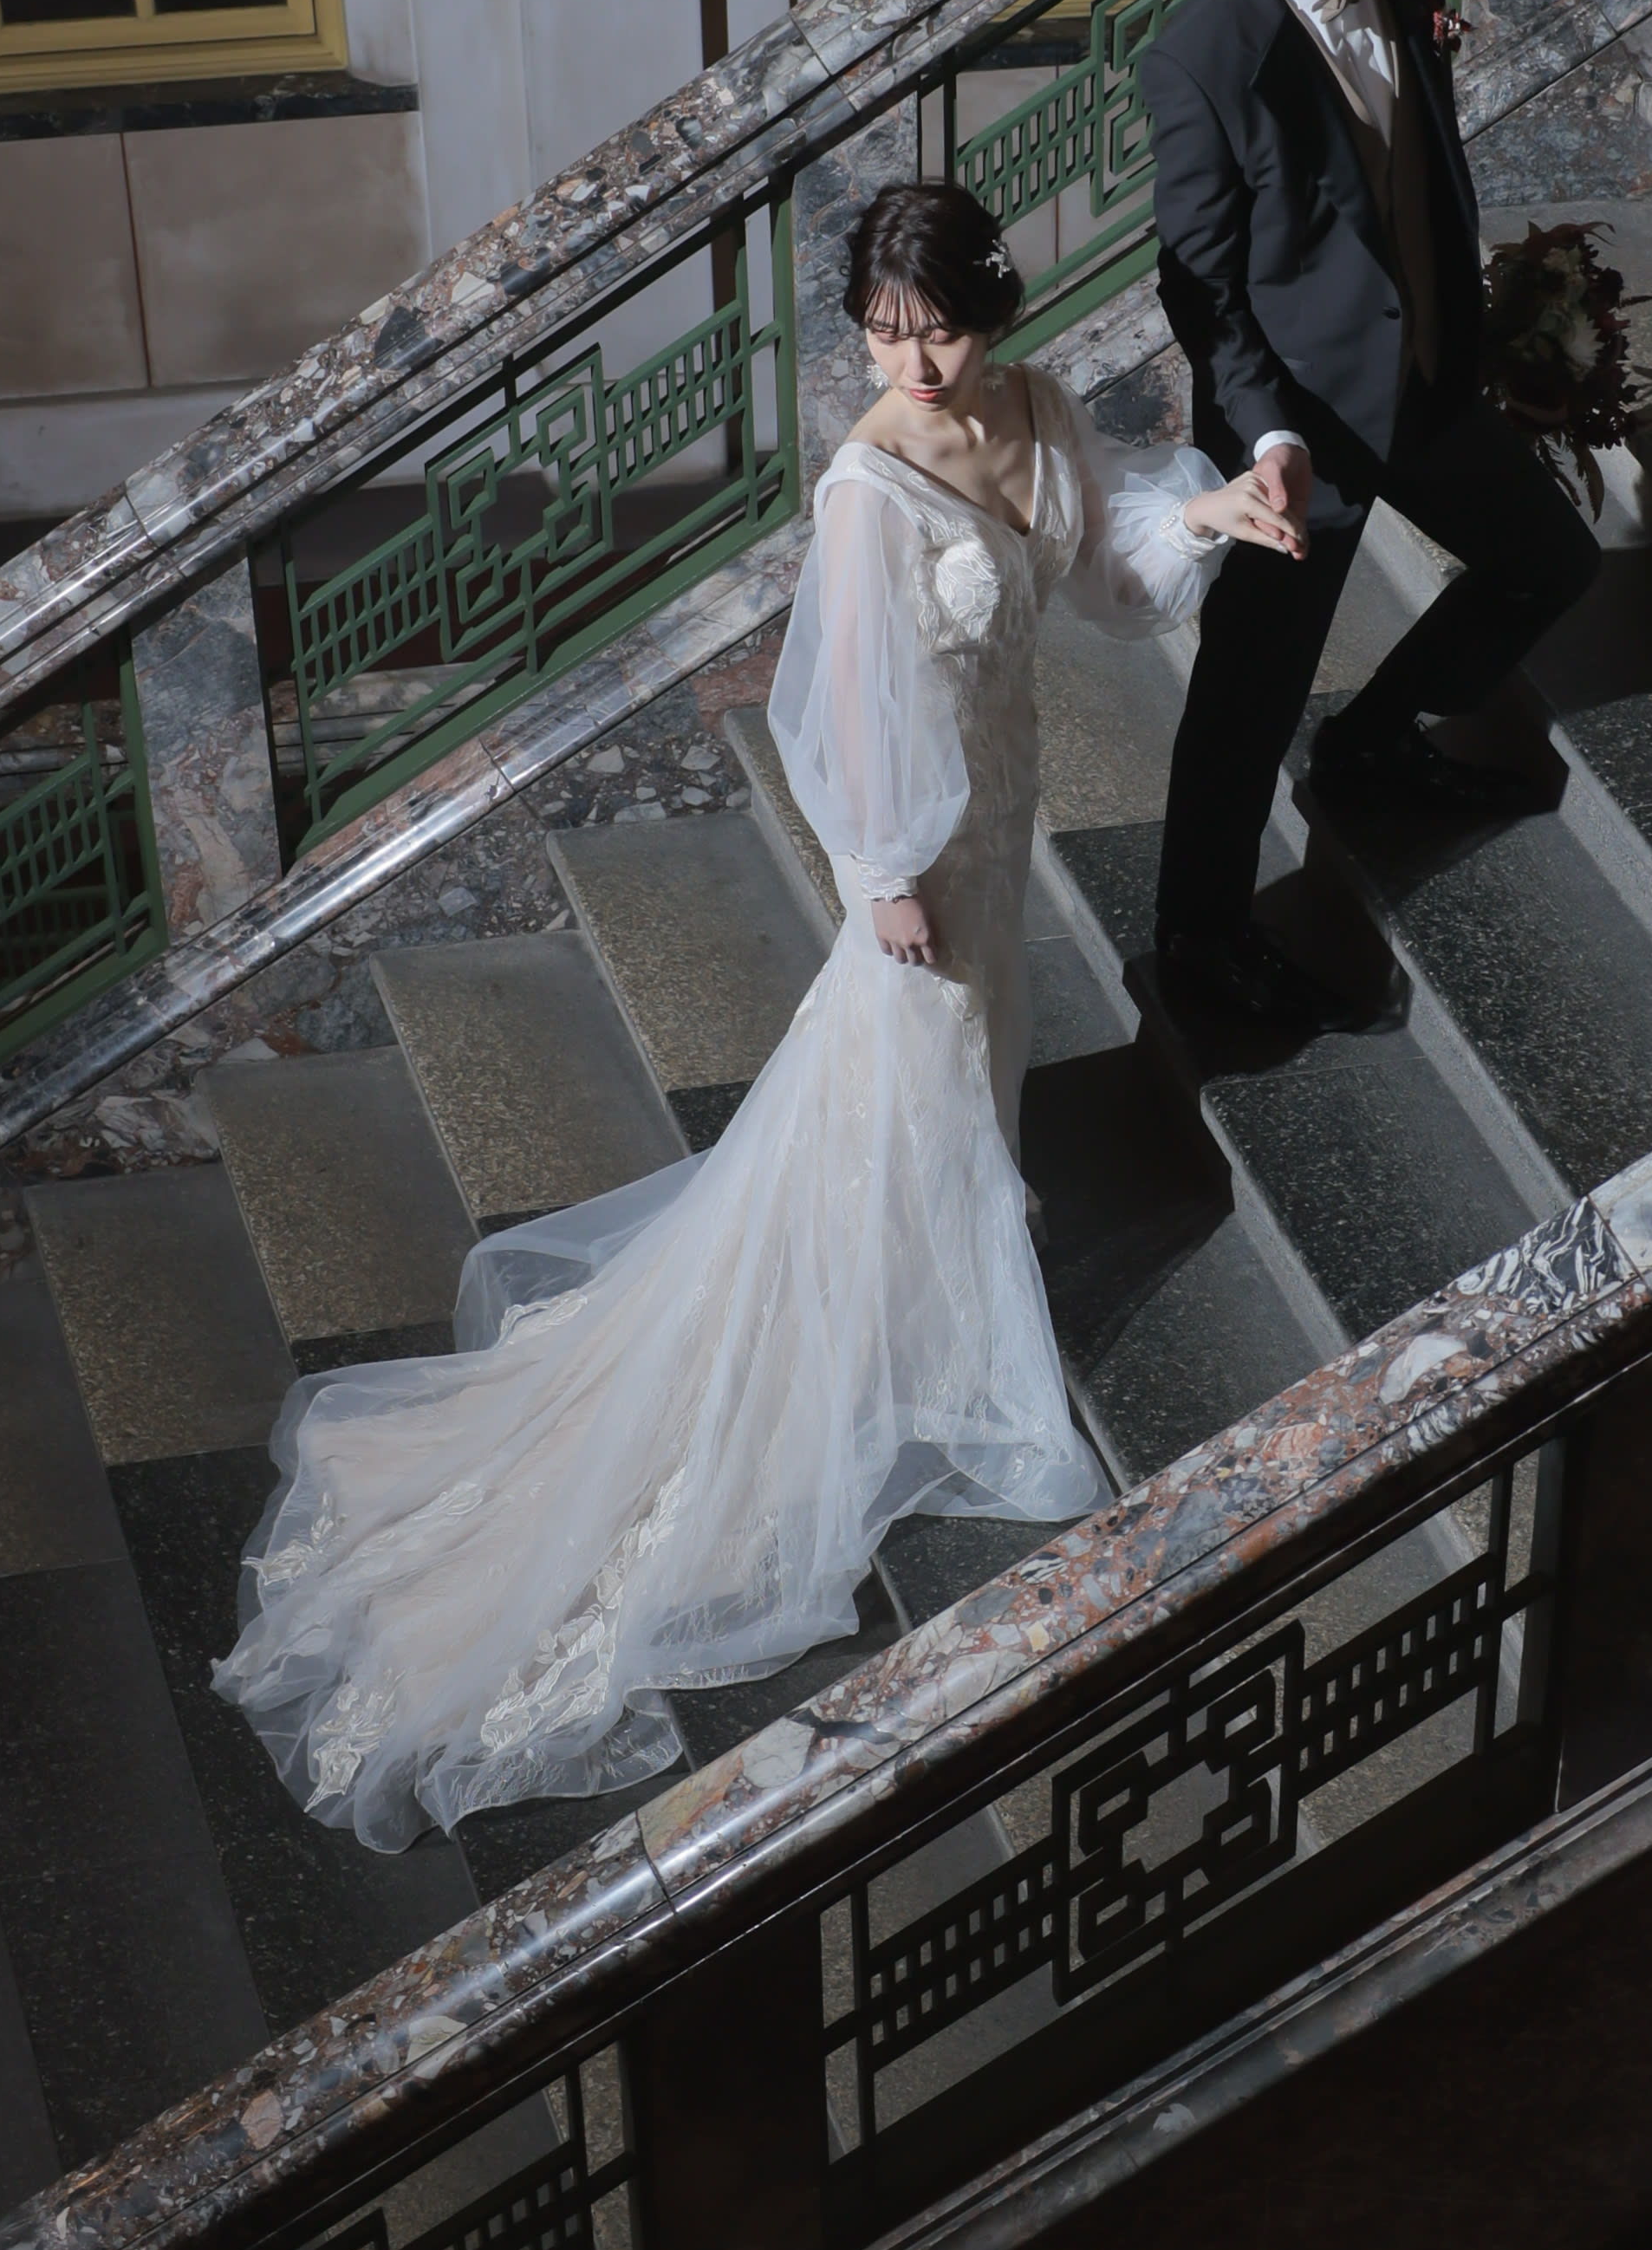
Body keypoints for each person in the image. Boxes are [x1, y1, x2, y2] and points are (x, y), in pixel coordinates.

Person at [212, 180, 1296, 1851]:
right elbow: (841, 702)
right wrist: (879, 877)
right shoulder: (867, 485)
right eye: (882, 333)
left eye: (938, 328)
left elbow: (1103, 573)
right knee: (911, 1063)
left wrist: (1210, 512)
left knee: (969, 1067)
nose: (913, 362)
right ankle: (889, 1316)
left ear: (989, 313)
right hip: (919, 847)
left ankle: (916, 1279)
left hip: (999, 811)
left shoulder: (1032, 405)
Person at [1145, 0, 1603, 1033]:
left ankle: (1372, 740)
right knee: (1248, 692)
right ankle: (1197, 937)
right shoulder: (1198, 59)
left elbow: (1409, 123)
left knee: (1548, 562)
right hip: (1296, 422)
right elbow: (1199, 286)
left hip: (1428, 366)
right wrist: (1265, 438)